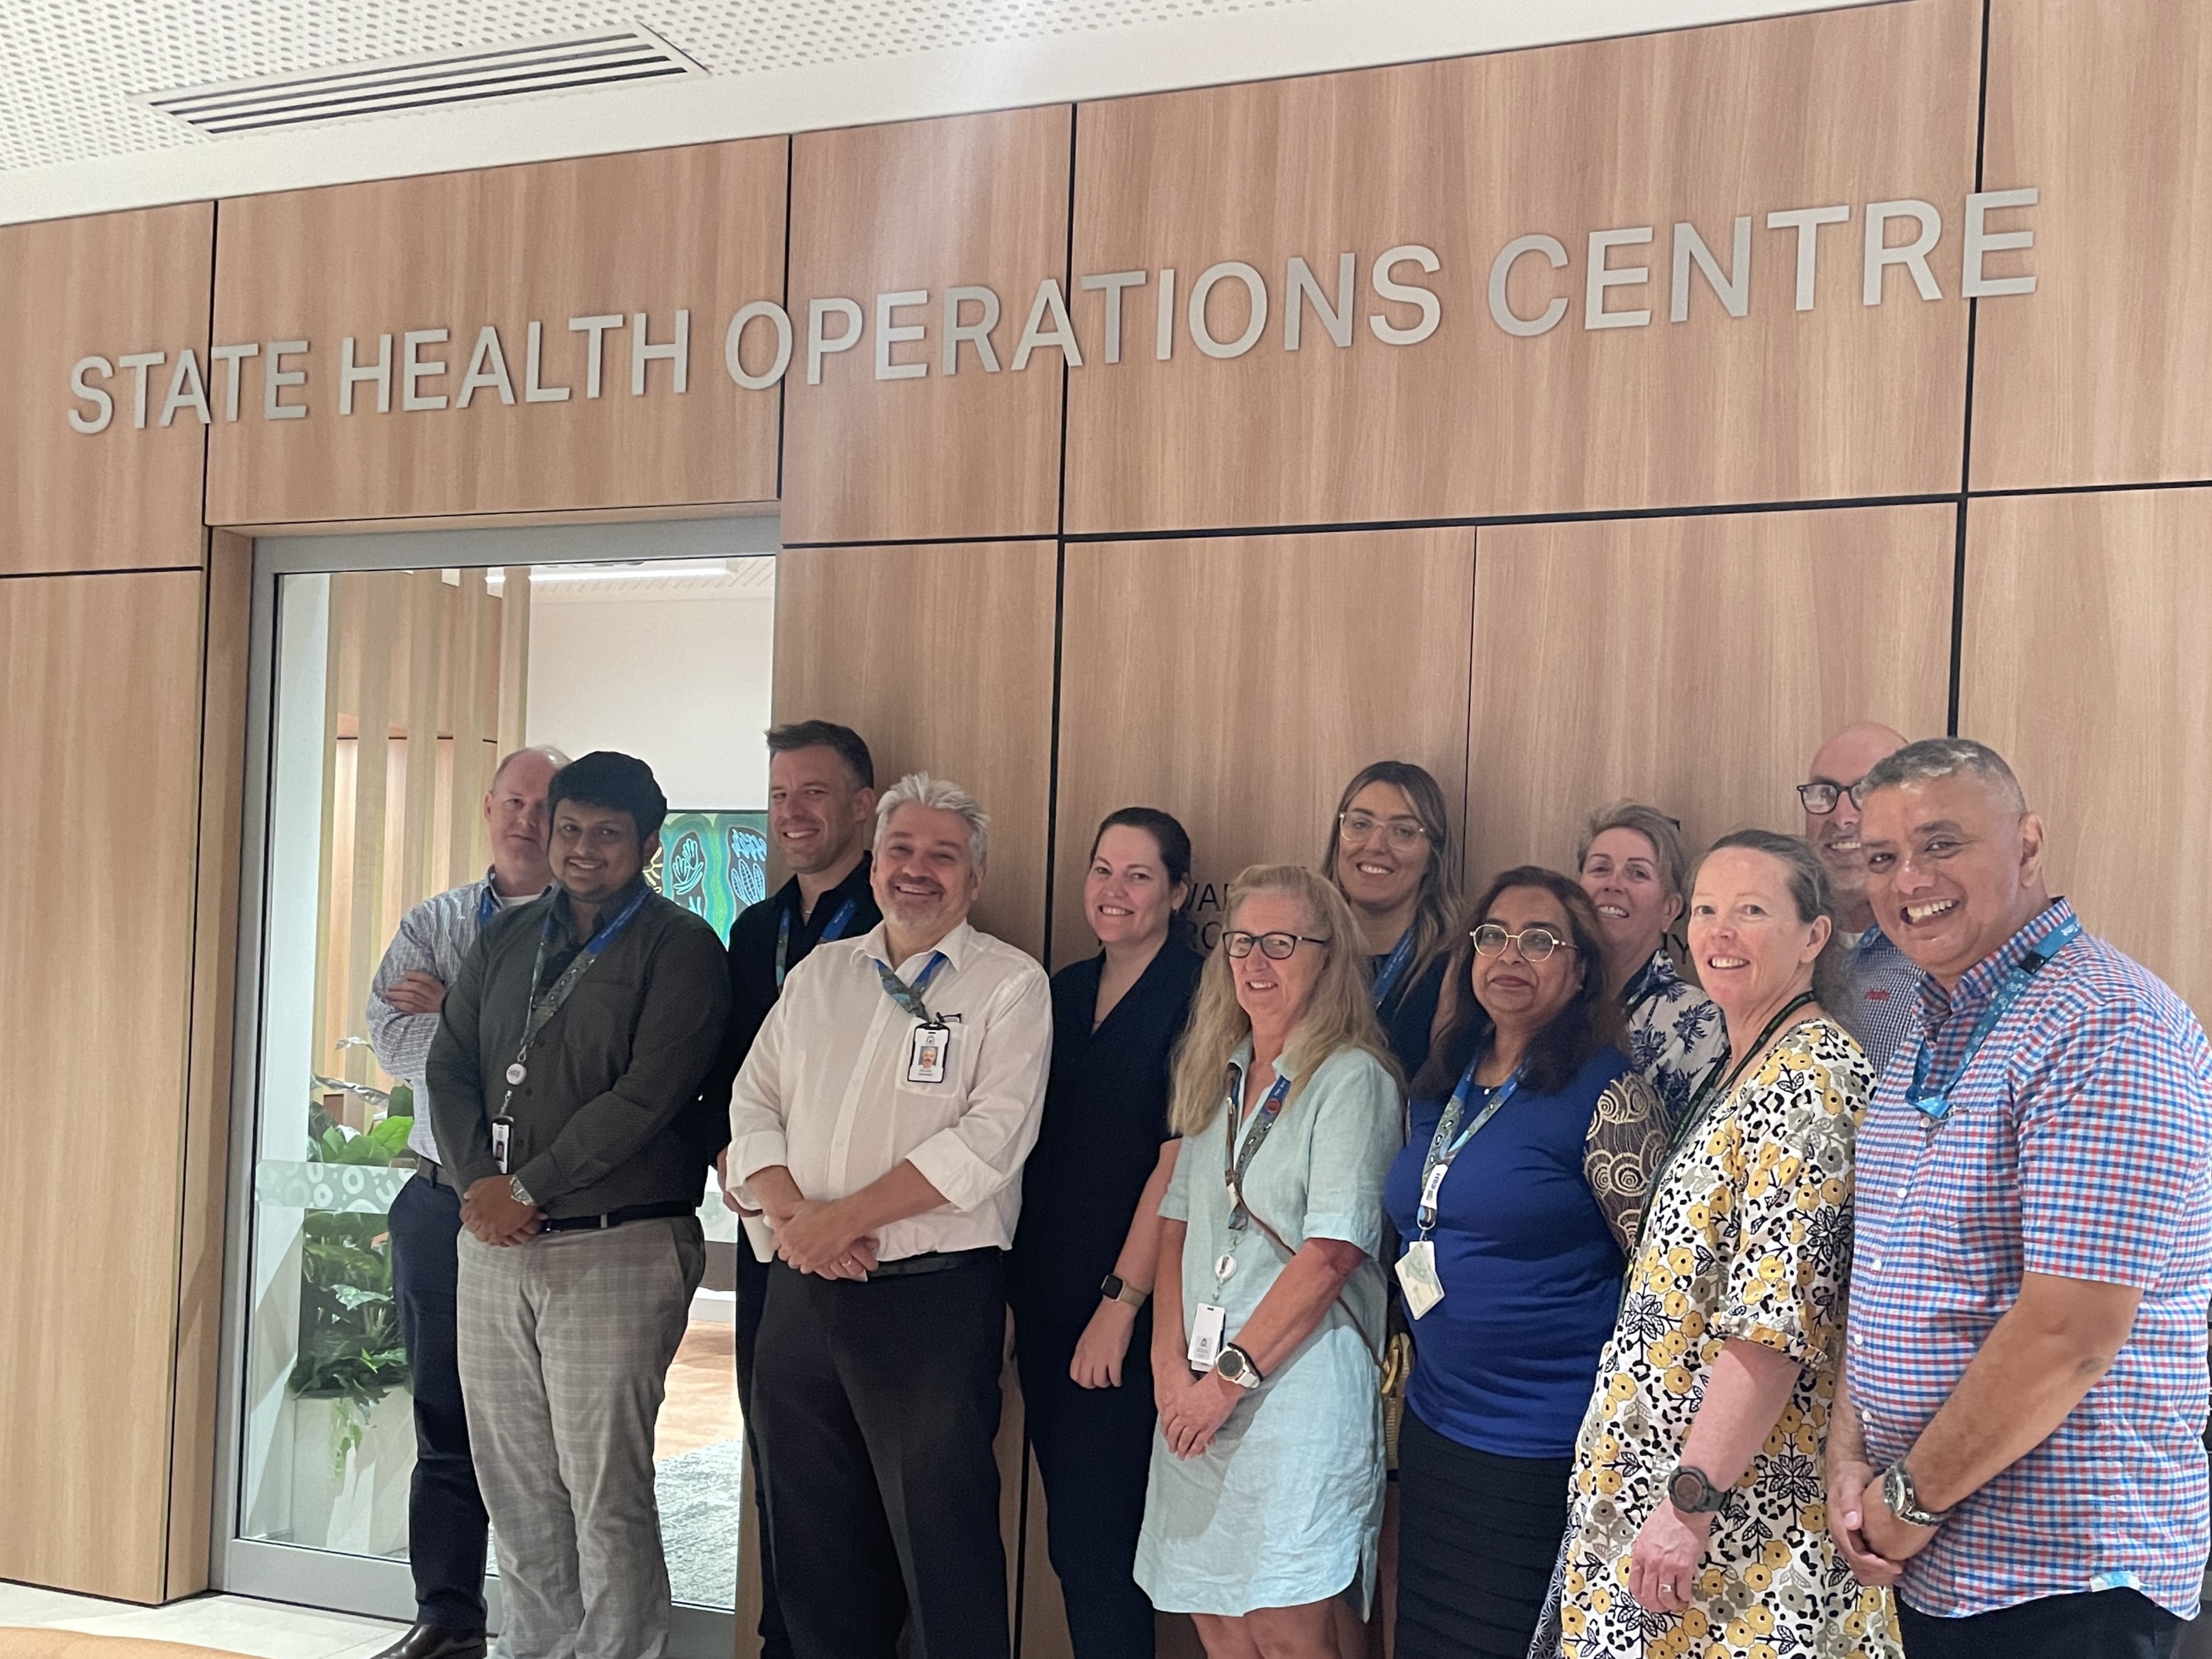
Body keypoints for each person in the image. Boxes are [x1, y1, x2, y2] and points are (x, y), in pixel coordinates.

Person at [1832, 737, 2212, 1659]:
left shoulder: (2104, 1025)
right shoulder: (1924, 1036)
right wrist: (1849, 1458)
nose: (1908, 878)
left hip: (2063, 1581)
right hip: (1938, 1563)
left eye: (1940, 842)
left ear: (2028, 844)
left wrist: (1909, 1498)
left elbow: (2067, 1330)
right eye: (1881, 857)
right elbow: (1880, 1274)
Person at [1544, 830, 1896, 1659]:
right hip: (1672, 1513)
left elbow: (1774, 1329)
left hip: (1736, 1533)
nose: (1719, 931)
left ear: (1814, 937)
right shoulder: (1742, 1062)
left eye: (1750, 910)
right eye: (1705, 909)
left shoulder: (1809, 1079)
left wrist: (1686, 1505)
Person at [726, 773, 1052, 1659]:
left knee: (941, 1550)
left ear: (974, 880)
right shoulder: (821, 974)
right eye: (900, 851)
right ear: (872, 867)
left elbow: (989, 1142)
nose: (918, 870)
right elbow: (752, 1104)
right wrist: (799, 1220)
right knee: (812, 1544)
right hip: (800, 1294)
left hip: (931, 1305)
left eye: (943, 855)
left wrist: (843, 1221)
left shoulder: (1009, 986)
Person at [426, 751, 731, 1659]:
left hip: (615, 1243)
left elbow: (650, 1095)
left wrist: (525, 1186)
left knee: (605, 1495)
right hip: (494, 1246)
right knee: (516, 1491)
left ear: (646, 843)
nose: (582, 850)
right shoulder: (507, 939)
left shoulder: (681, 947)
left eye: (606, 834)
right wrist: (481, 1181)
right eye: (569, 829)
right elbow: (449, 1063)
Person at [1384, 867, 1666, 1659]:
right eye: (1494, 936)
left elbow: (1658, 1278)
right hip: (1438, 1430)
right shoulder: (1443, 1082)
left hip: (1546, 1447)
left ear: (1580, 972)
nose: (1512, 954)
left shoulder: (1608, 1094)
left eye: (1542, 940)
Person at [1135, 864, 1402, 1659]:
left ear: (1328, 957)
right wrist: (1165, 1367)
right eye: (1242, 941)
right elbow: (1177, 1223)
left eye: (1281, 944)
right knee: (1214, 1616)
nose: (1256, 961)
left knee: (1286, 1629)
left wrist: (1222, 1384)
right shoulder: (1218, 1071)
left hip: (1295, 1390)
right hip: (1193, 1392)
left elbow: (1329, 1255)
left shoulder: (1351, 1079)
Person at [363, 743, 567, 1659]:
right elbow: (392, 1042)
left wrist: (456, 1019)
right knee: (443, 1421)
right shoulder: (435, 918)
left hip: (544, 1207)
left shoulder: (589, 927)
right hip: (438, 1198)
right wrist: (478, 1031)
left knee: (544, 1434)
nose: (527, 819)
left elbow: (560, 1066)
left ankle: (548, 1627)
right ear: (488, 807)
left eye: (545, 804)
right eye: (513, 801)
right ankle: (447, 1618)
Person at [699, 719, 881, 1659]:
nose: (792, 812)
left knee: (856, 1453)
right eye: (779, 794)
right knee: (774, 1437)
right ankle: (785, 1636)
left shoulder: (893, 926)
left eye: (813, 792)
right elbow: (725, 1073)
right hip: (768, 1225)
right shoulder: (757, 928)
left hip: (863, 1233)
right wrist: (731, 1159)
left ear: (862, 804)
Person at [1011, 808, 1205, 1659]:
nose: (1113, 891)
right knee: (1075, 1544)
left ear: (1178, 892)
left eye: (1137, 875)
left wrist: (1119, 1306)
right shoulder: (1056, 991)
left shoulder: (1204, 994)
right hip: (1045, 1299)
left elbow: (1180, 1164)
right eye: (1102, 869)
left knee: (1098, 1547)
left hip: (1129, 1315)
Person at [1577, 802, 1726, 1127]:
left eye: (1637, 873)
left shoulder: (1699, 1020)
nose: (1612, 884)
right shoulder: (1547, 992)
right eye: (1600, 869)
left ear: (1669, 910)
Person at [1321, 761, 1461, 1079]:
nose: (1375, 845)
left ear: (1433, 858)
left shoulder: (1454, 972)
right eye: (1360, 824)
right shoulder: (1301, 952)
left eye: (1403, 831)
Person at [1799, 722, 1922, 1075]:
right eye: (1824, 793)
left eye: (1866, 793)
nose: (1842, 818)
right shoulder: (1780, 940)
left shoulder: (1944, 960)